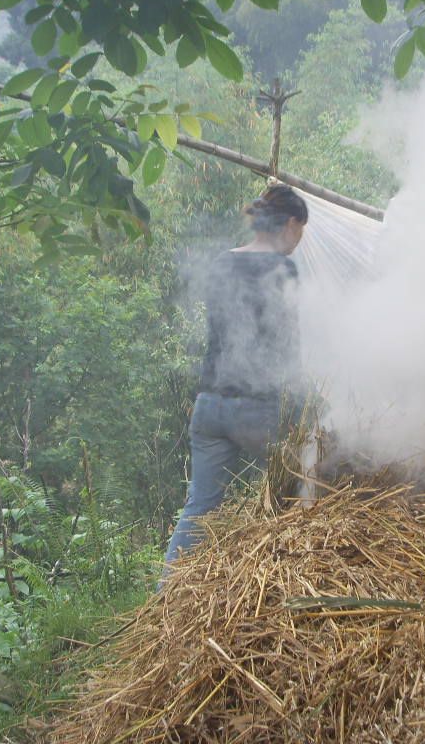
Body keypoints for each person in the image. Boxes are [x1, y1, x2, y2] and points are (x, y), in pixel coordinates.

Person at [162, 184, 308, 571]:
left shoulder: (222, 262)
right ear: (290, 224)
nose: (299, 241)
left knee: (199, 507)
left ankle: (165, 593)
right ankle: (284, 580)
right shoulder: (283, 269)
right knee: (295, 493)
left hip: (210, 407)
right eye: (300, 231)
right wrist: (298, 409)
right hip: (258, 410)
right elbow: (287, 347)